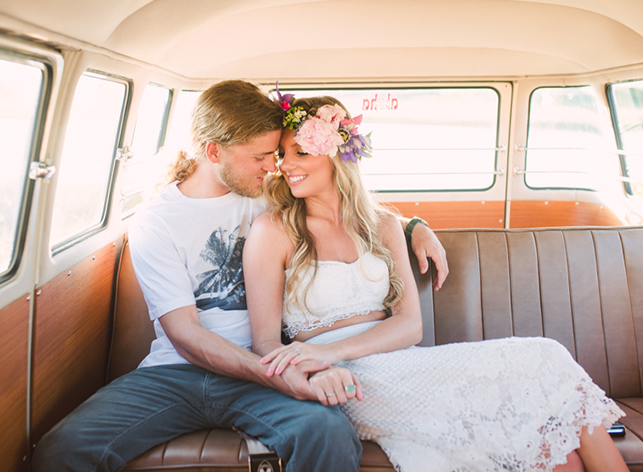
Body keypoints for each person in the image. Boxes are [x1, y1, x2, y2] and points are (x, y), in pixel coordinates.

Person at [32, 80, 448, 472]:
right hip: (178, 373)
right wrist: (281, 373)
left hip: (265, 369)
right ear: (214, 153)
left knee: (325, 431)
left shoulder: (266, 192)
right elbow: (186, 336)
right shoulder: (156, 222)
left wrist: (413, 226)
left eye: (275, 154)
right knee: (63, 448)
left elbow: (343, 207)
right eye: (261, 157)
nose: (275, 167)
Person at [243, 93, 630, 472]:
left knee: (563, 456)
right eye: (281, 155)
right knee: (546, 359)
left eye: (300, 152)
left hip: (402, 365)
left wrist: (336, 351)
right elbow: (264, 344)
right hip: (341, 383)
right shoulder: (272, 230)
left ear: (337, 154)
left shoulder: (384, 225)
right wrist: (318, 366)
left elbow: (410, 325)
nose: (285, 165)